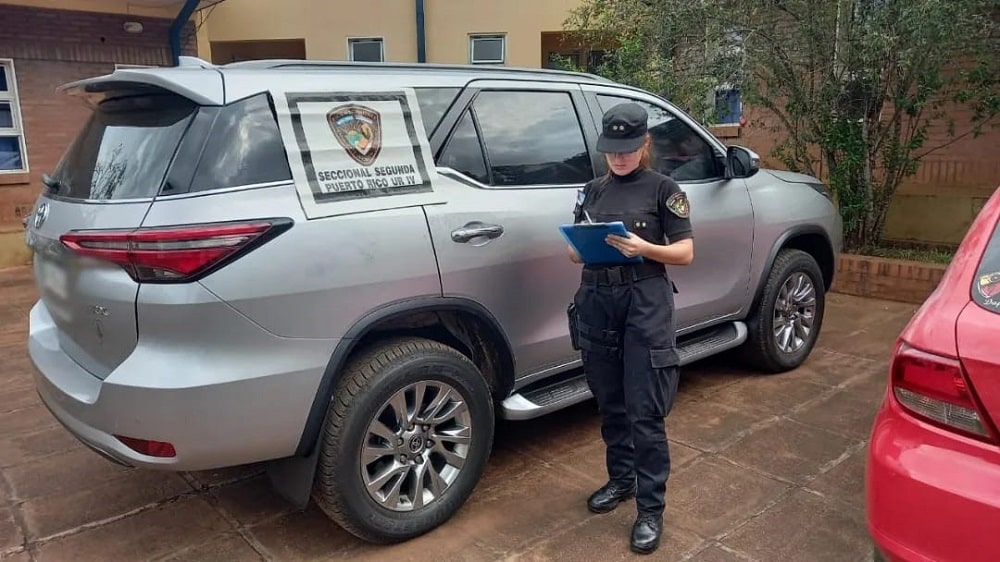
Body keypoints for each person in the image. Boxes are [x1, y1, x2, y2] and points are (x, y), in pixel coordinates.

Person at [567, 102, 694, 554]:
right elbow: (574, 253)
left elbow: (685, 253)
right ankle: (621, 479)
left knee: (645, 410)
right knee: (611, 402)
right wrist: (580, 245)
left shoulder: (664, 189)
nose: (619, 158)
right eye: (612, 150)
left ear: (644, 144)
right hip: (598, 300)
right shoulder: (592, 190)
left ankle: (650, 508)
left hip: (645, 301)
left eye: (627, 149)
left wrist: (643, 247)